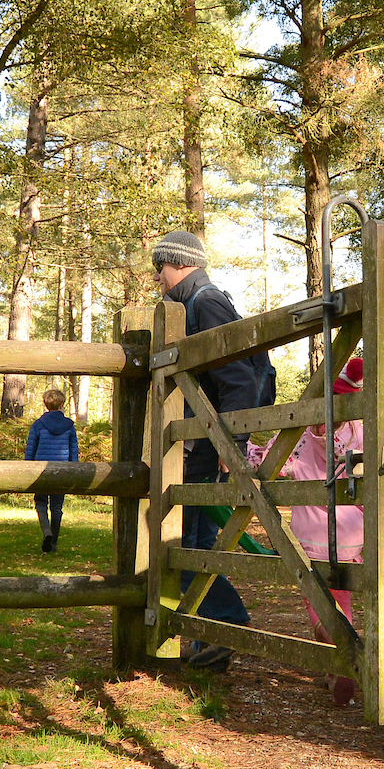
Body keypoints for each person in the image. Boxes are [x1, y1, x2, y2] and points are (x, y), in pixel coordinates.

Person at [152, 229, 268, 672]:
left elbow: (239, 376)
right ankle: (208, 640)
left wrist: (231, 440)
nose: (157, 278)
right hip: (201, 440)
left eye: (159, 267)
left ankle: (225, 624)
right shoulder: (194, 302)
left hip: (207, 444)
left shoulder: (206, 301)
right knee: (192, 542)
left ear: (178, 262)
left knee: (186, 543)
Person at [254, 355, 366, 639]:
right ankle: (341, 657)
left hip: (311, 536)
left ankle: (338, 649)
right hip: (350, 536)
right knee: (342, 595)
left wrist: (235, 453)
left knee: (318, 596)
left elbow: (266, 460)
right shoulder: (361, 434)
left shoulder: (300, 437)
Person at [22, 388, 80, 554]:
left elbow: (31, 448)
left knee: (41, 503)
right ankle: (53, 543)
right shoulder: (69, 426)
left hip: (41, 470)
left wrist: (28, 468)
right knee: (56, 508)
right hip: (62, 470)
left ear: (46, 405)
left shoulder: (38, 425)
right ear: (62, 405)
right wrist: (74, 468)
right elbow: (73, 449)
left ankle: (46, 531)